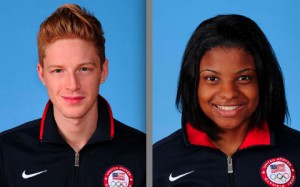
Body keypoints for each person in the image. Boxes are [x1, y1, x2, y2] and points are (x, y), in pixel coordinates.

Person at [0, 4, 145, 187]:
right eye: (58, 70)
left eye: (84, 69)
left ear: (103, 71)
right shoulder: (6, 152)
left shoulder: (143, 152)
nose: (72, 85)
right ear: (42, 74)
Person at [153, 14, 300, 187]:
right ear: (192, 83)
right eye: (212, 79)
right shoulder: (157, 161)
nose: (229, 93)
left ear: (263, 81)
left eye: (244, 78)